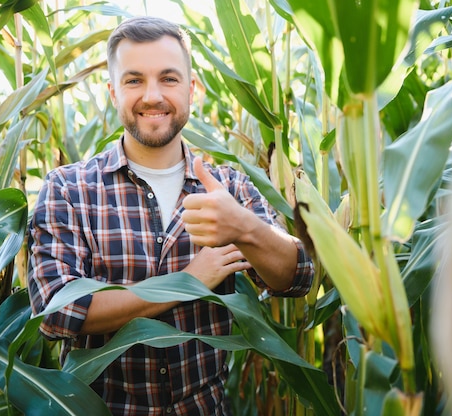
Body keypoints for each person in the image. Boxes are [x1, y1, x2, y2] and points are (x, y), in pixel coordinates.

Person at [27, 15, 314, 416]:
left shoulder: (226, 187)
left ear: (192, 89)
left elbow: (298, 277)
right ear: (112, 92)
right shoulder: (68, 190)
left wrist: (244, 227)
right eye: (134, 80)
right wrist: (185, 283)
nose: (152, 95)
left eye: (169, 78)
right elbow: (57, 311)